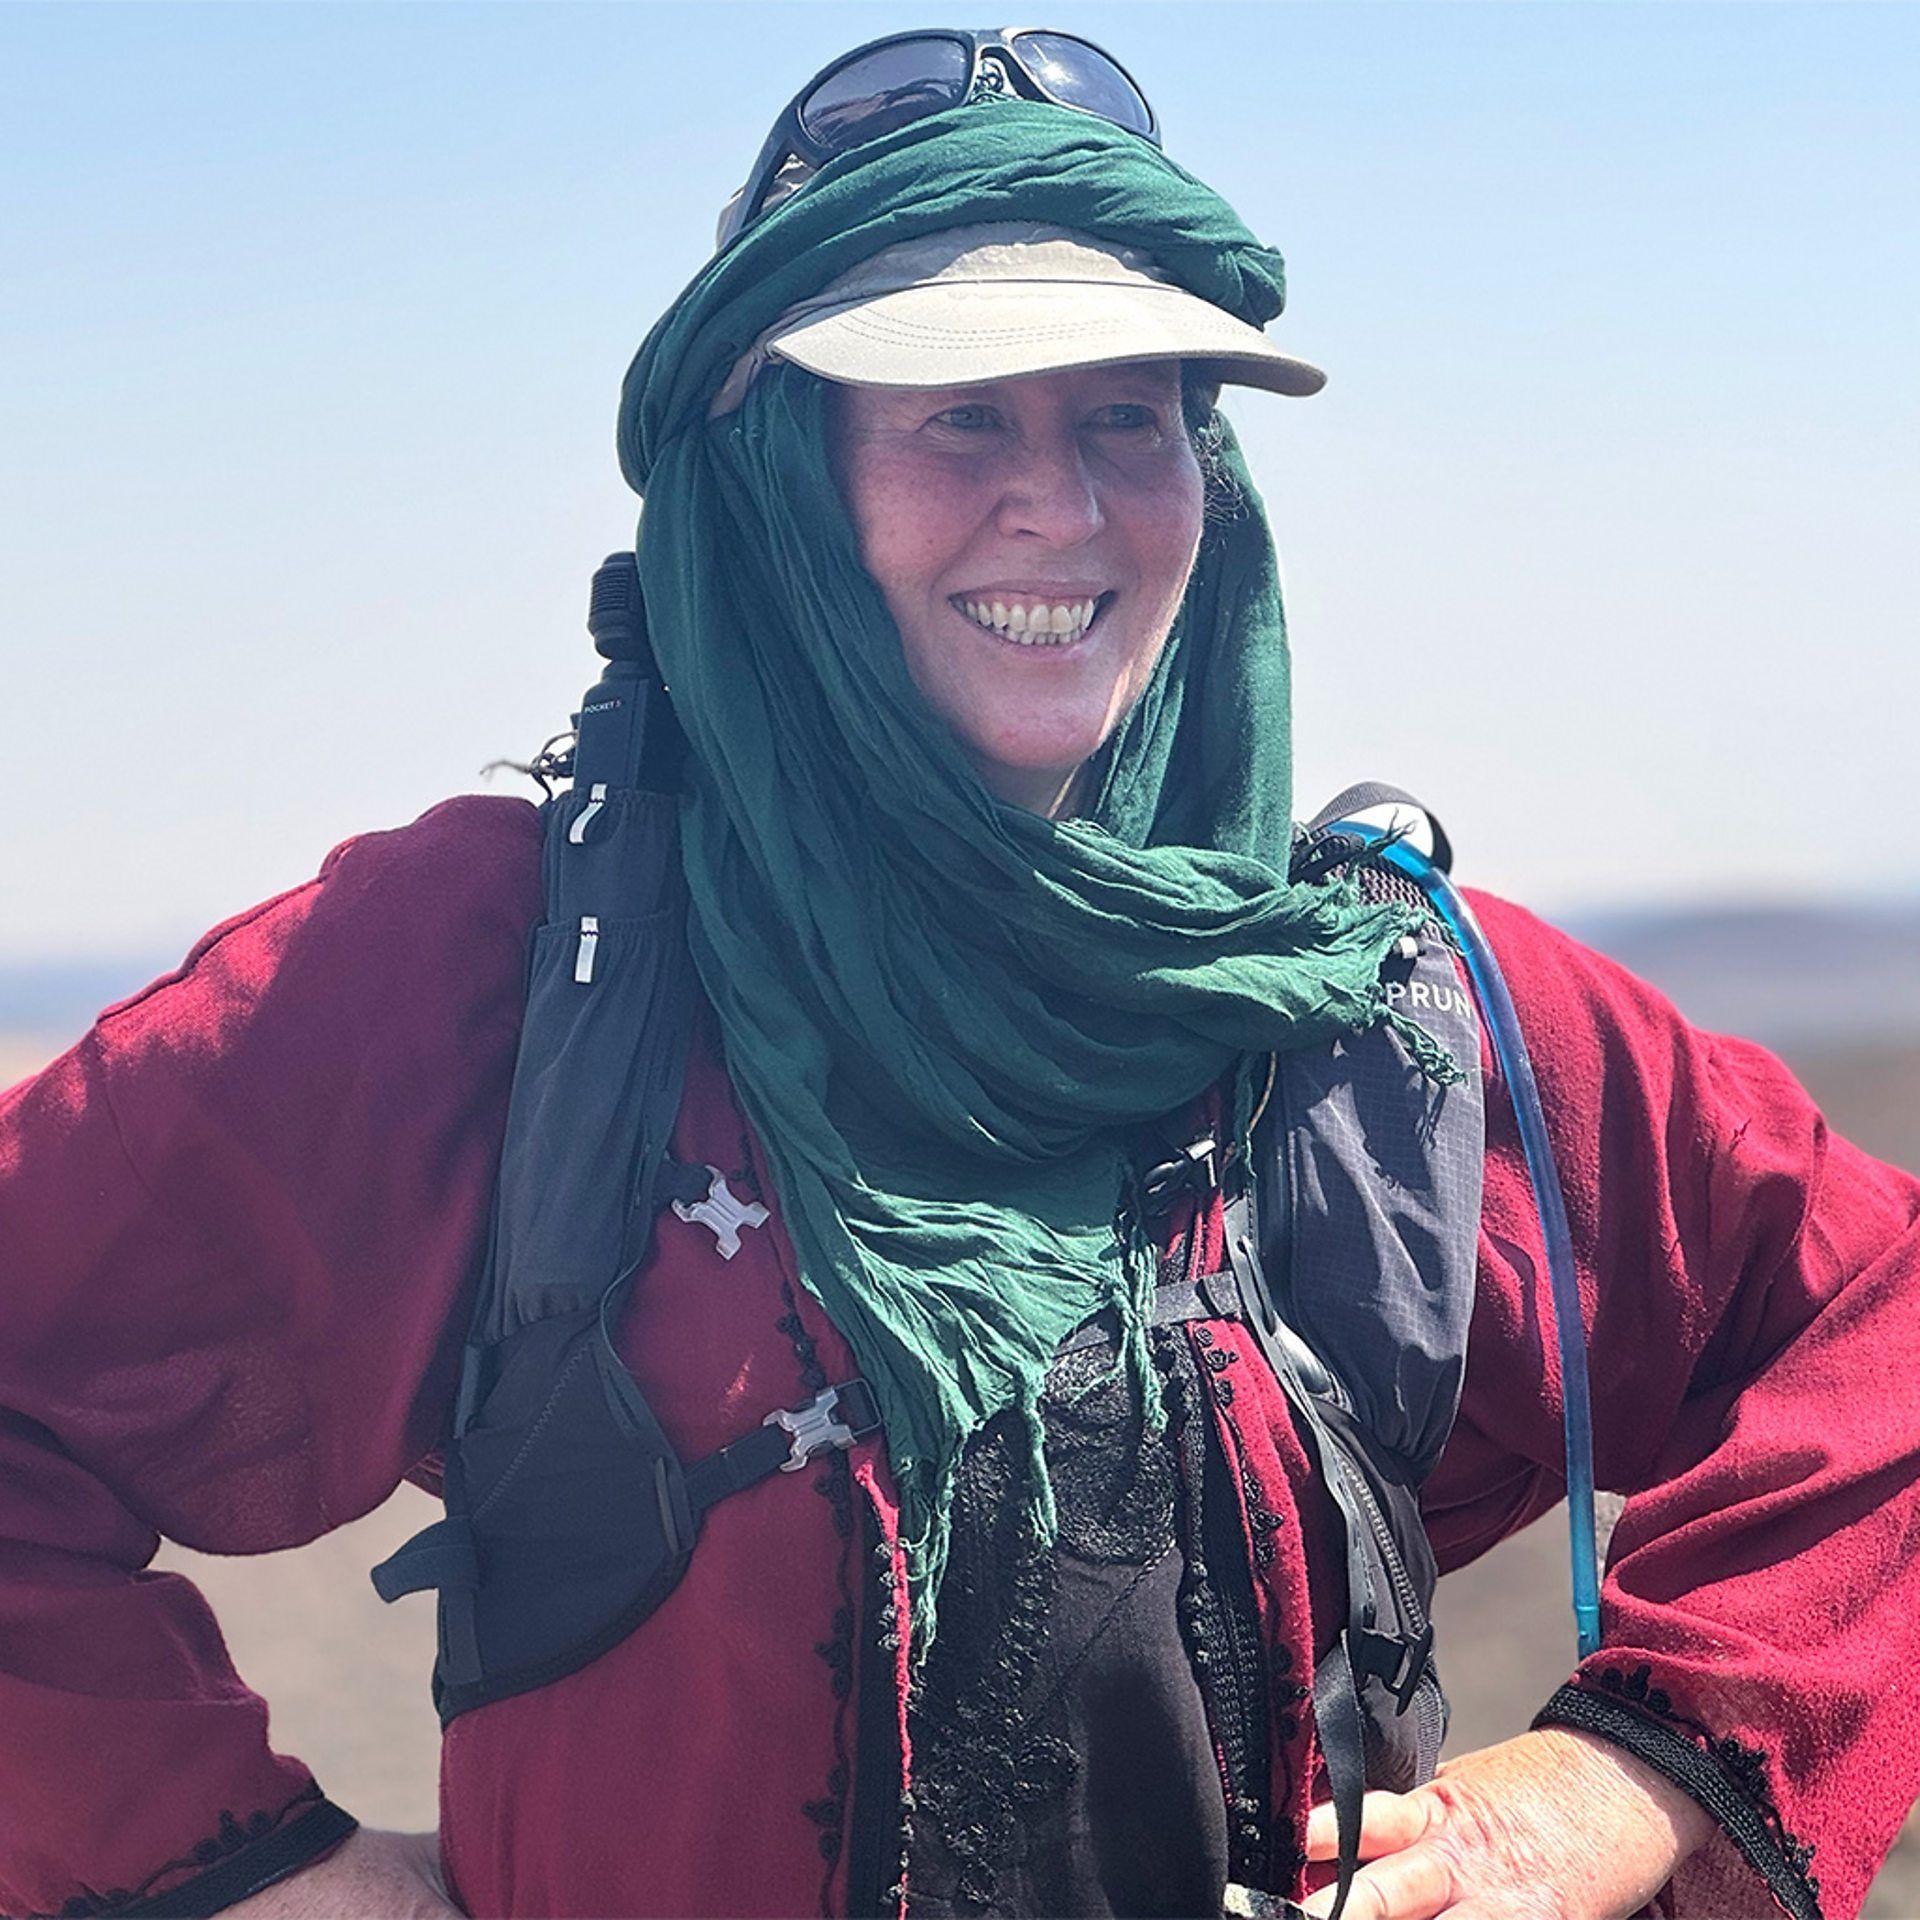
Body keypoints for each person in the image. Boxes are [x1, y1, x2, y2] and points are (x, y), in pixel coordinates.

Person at [2, 26, 1917, 1920]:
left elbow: (1882, 1328)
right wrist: (251, 1871)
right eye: (960, 414)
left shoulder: (1368, 1011)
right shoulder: (498, 971)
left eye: (1127, 415)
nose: (1063, 505)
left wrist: (1632, 1777)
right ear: (772, 474)